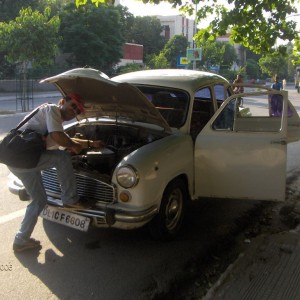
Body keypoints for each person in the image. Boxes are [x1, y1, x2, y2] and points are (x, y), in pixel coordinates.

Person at [9, 92, 105, 253]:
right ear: (62, 102)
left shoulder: (54, 122)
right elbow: (60, 138)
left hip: (18, 161)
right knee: (61, 158)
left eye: (77, 111)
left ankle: (21, 240)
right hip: (24, 158)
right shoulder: (52, 109)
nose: (74, 111)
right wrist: (74, 147)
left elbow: (64, 137)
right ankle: (70, 199)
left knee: (39, 200)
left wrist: (90, 143)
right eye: (73, 106)